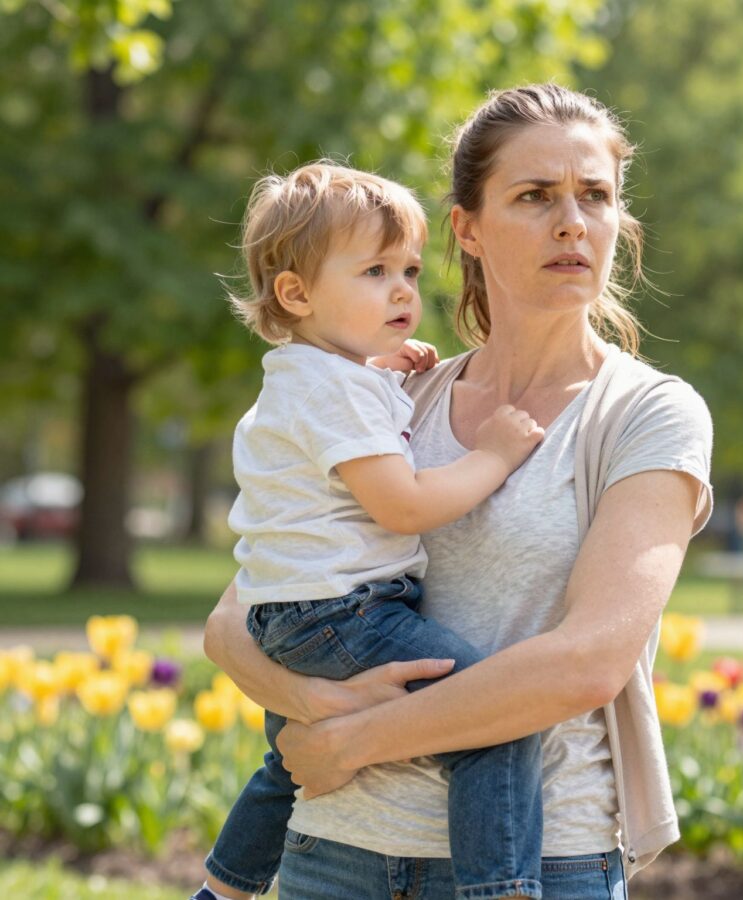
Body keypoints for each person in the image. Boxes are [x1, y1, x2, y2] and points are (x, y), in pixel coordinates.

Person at [204, 83, 713, 900]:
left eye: (595, 196)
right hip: (335, 855)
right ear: (467, 229)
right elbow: (236, 618)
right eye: (535, 196)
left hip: (546, 864)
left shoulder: (647, 414)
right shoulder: (390, 398)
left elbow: (587, 664)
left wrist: (352, 739)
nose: (572, 223)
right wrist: (308, 708)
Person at [195, 161, 547, 900]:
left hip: (293, 615)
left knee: (290, 764)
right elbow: (403, 505)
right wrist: (496, 455)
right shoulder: (336, 391)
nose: (403, 291)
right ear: (295, 292)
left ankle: (222, 891)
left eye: (411, 271)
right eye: (375, 271)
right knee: (491, 721)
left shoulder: (312, 376)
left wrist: (380, 367)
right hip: (346, 614)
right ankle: (503, 892)